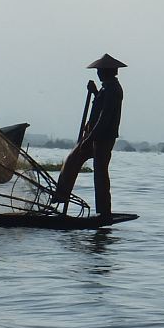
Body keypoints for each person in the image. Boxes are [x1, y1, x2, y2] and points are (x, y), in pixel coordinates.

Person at [53, 54, 126, 216]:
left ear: (107, 72)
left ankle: (103, 210)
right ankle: (60, 198)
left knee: (100, 172)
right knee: (72, 162)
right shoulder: (107, 88)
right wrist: (94, 93)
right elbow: (101, 107)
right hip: (94, 135)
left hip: (102, 137)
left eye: (100, 70)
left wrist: (91, 138)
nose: (98, 73)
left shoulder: (113, 89)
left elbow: (105, 117)